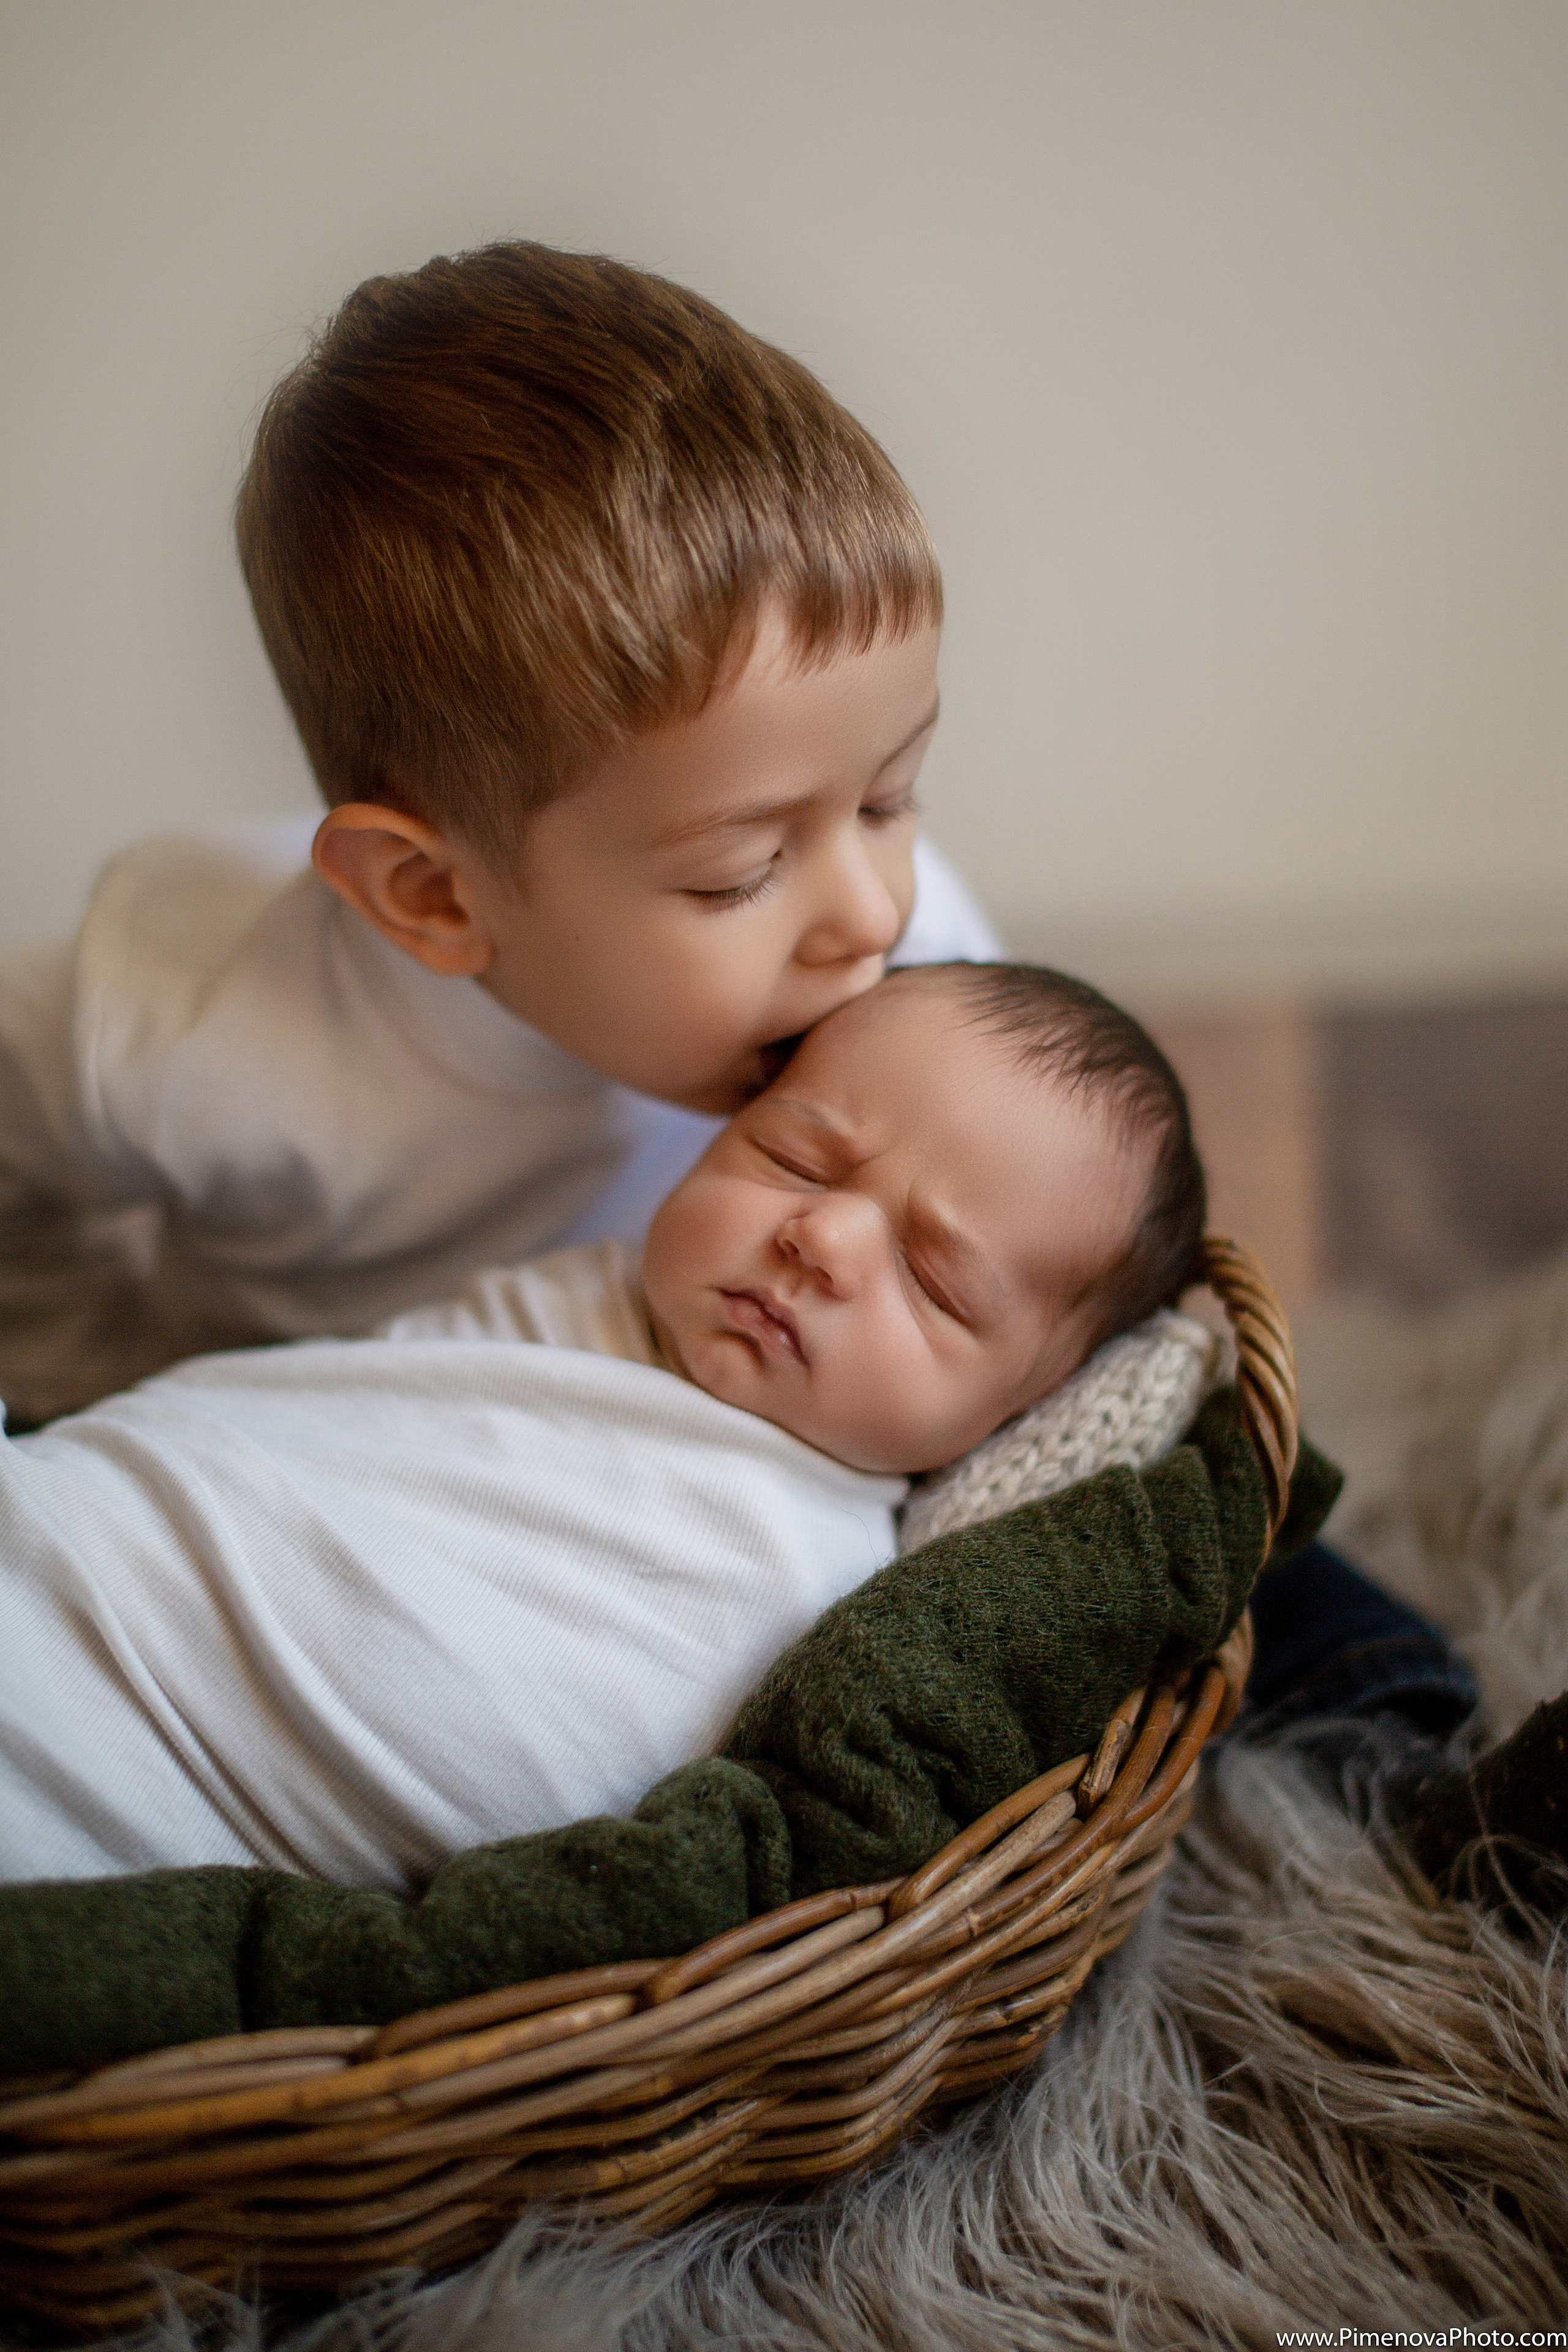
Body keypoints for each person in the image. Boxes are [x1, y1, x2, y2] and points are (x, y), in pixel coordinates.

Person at [0, 239, 995, 1431]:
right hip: (293, 1440)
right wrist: (85, 1383)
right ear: (435, 897)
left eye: (886, 802)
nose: (873, 912)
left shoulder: (918, 963)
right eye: (741, 873)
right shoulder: (193, 1027)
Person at [0, 960, 1206, 1894]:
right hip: (85, 1535)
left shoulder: (828, 1598)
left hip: (145, 1770)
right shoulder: (576, 1295)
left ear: (1016, 1413)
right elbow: (322, 1419)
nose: (822, 1239)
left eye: (937, 1282)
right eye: (792, 1158)